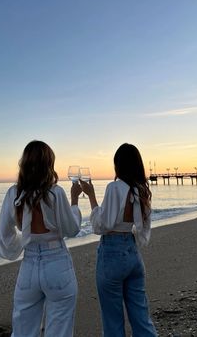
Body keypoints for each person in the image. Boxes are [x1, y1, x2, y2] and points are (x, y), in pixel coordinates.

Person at [0, 140, 82, 337]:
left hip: (29, 265)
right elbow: (72, 229)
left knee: (23, 331)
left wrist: (24, 241)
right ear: (49, 164)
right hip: (57, 264)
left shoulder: (13, 193)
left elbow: (4, 238)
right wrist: (75, 201)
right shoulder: (56, 193)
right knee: (59, 329)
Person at [80, 143, 157, 337]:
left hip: (112, 253)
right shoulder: (141, 191)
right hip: (132, 252)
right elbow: (142, 229)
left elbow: (101, 226)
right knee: (141, 316)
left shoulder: (115, 187)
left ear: (118, 165)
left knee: (113, 320)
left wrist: (91, 197)